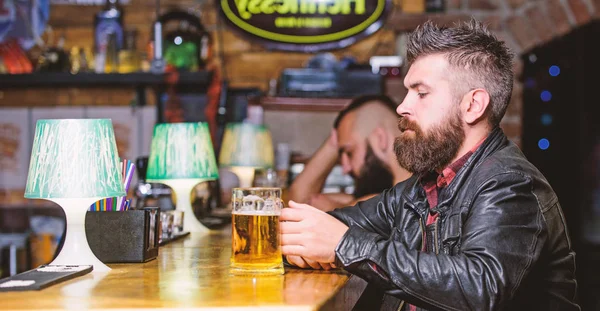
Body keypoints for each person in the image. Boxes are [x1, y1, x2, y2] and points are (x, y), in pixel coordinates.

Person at [280, 19, 580, 310]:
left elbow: (480, 288)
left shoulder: (510, 184)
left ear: (473, 105)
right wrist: (292, 235)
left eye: (421, 93)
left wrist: (346, 245)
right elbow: (335, 227)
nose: (402, 106)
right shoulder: (421, 188)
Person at [288, 95, 412, 211]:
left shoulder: (415, 200)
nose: (345, 168)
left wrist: (337, 211)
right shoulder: (373, 197)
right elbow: (298, 201)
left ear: (380, 139)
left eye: (350, 153)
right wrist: (334, 141)